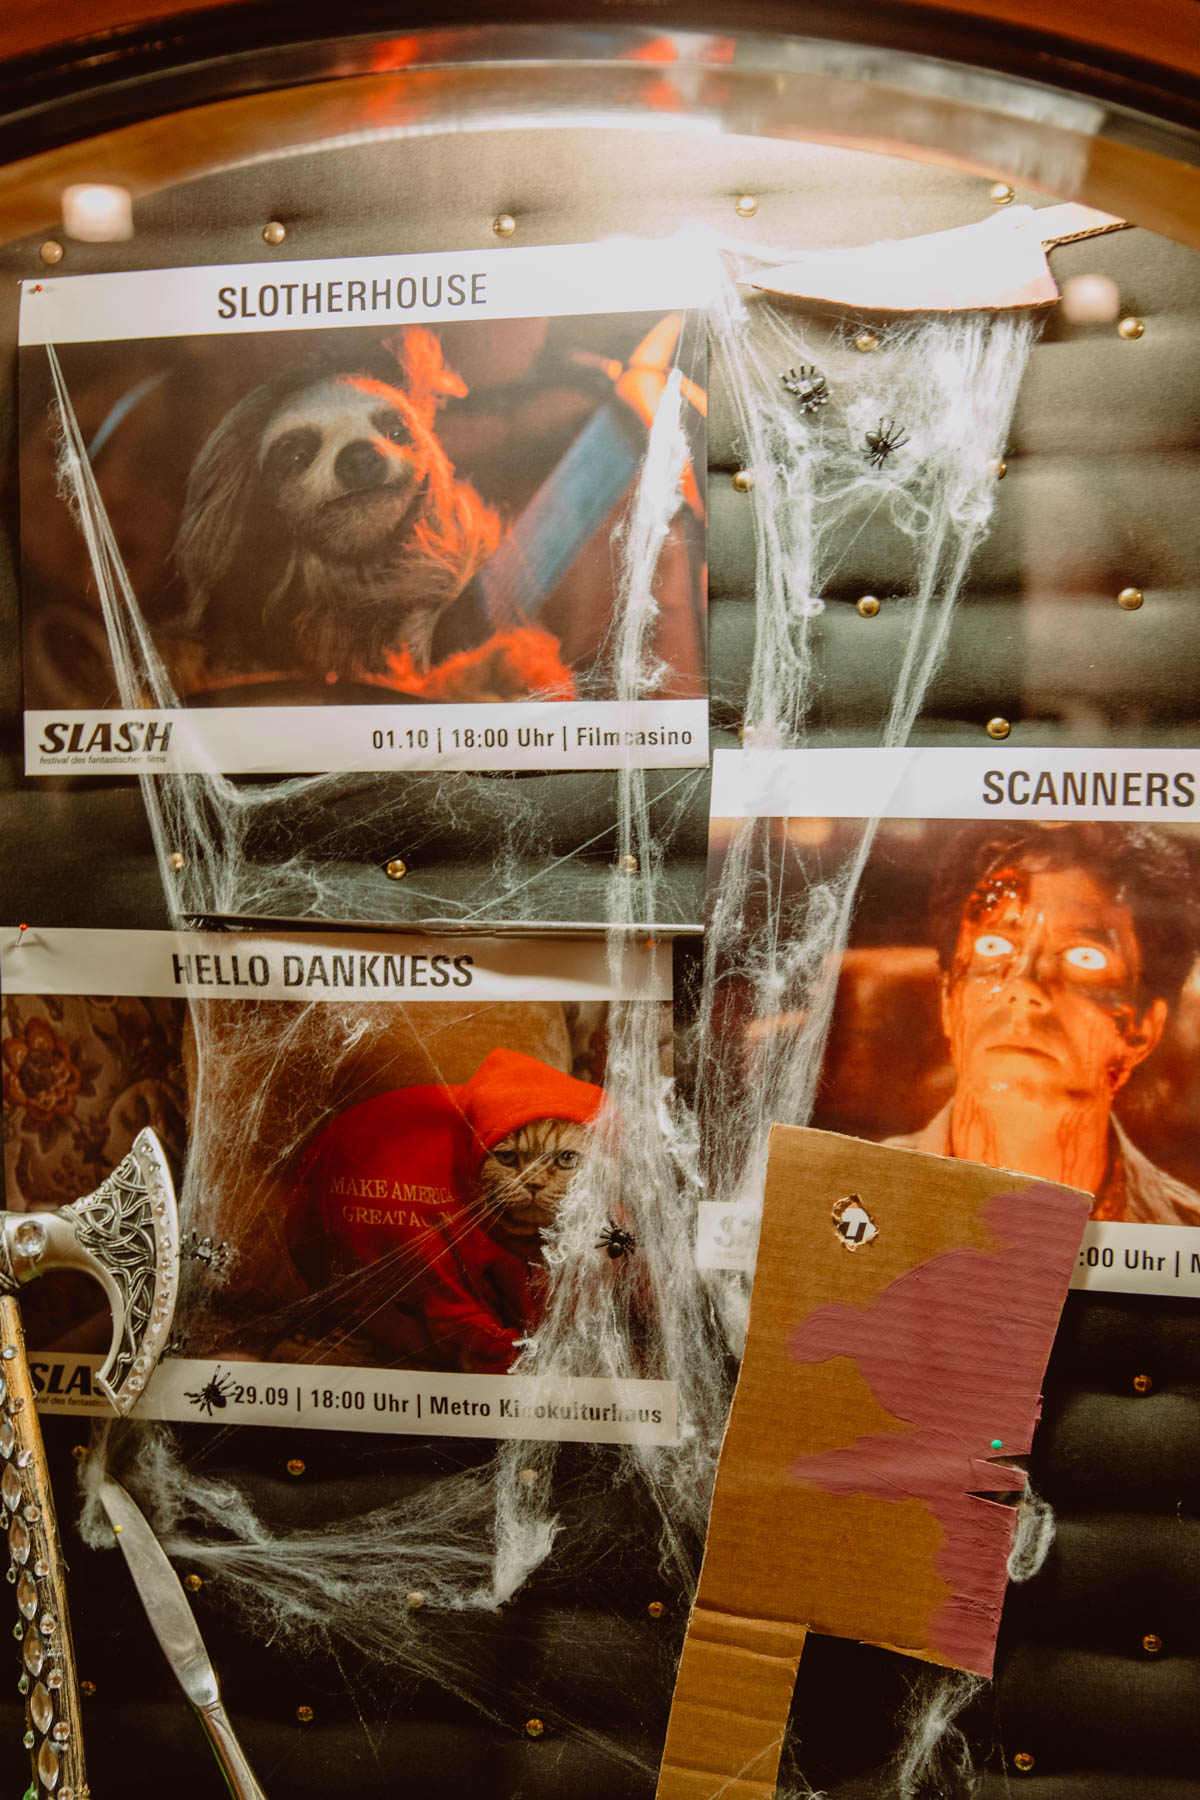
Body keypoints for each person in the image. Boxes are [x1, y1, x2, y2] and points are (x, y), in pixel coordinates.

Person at [887, 822, 1200, 1225]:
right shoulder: (832, 1205)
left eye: (1085, 958)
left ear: (1142, 1030)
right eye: (993, 946)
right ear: (949, 1001)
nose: (1023, 986)